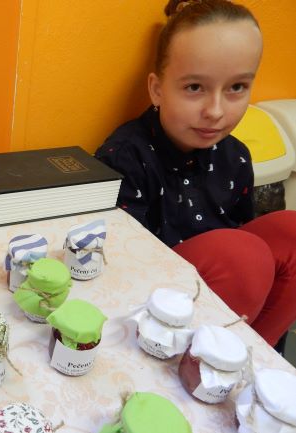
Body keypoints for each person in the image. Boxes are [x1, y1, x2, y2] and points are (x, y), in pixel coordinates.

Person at [96, 0, 296, 348]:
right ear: (157, 89)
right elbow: (118, 270)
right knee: (242, 255)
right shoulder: (126, 157)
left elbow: (247, 237)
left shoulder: (236, 156)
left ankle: (254, 353)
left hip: (229, 300)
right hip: (153, 311)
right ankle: (206, 360)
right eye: (194, 88)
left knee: (289, 230)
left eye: (237, 87)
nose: (215, 111)